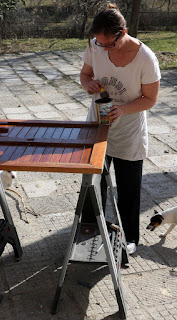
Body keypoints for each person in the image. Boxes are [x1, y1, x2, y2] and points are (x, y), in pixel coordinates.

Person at [80, 3, 161, 254]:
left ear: (123, 32)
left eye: (108, 44)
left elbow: (151, 99)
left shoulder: (145, 58)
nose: (102, 48)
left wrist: (123, 109)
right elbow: (85, 74)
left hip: (129, 132)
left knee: (128, 190)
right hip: (97, 127)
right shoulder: (96, 46)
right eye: (99, 43)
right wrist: (89, 84)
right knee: (92, 185)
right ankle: (89, 230)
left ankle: (129, 238)